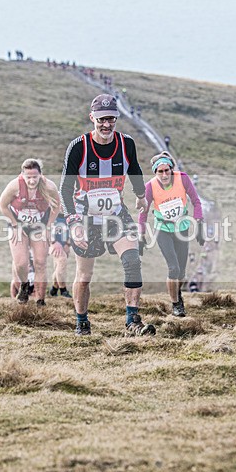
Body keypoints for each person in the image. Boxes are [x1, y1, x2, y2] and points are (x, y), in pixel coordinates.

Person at [59, 93, 154, 336]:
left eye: (111, 119)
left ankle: (132, 321)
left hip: (116, 214)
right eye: (101, 119)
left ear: (116, 119)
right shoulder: (78, 147)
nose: (106, 124)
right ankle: (82, 321)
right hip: (85, 218)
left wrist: (141, 195)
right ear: (92, 118)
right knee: (85, 275)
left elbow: (134, 169)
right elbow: (65, 189)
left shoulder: (126, 144)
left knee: (132, 262)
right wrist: (73, 223)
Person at [138, 151, 204, 317]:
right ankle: (176, 304)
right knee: (173, 268)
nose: (164, 174)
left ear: (171, 169)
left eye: (167, 170)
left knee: (181, 272)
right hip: (163, 229)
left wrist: (199, 224)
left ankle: (177, 294)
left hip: (182, 229)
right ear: (155, 172)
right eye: (160, 171)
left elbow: (196, 201)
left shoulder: (182, 178)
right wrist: (141, 235)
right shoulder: (150, 186)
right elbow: (143, 212)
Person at [0, 159, 60, 306]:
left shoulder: (49, 186)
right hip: (19, 225)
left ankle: (40, 300)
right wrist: (14, 225)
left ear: (40, 175)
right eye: (28, 177)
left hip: (39, 226)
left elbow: (56, 207)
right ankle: (24, 286)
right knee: (21, 263)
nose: (32, 181)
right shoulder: (15, 186)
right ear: (22, 175)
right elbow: (2, 205)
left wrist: (48, 227)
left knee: (40, 262)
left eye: (35, 177)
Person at [49, 213, 72, 298]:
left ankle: (54, 289)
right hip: (54, 244)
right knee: (62, 262)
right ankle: (63, 290)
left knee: (59, 267)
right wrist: (53, 242)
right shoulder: (51, 214)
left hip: (65, 244)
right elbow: (46, 228)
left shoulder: (70, 215)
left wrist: (68, 243)